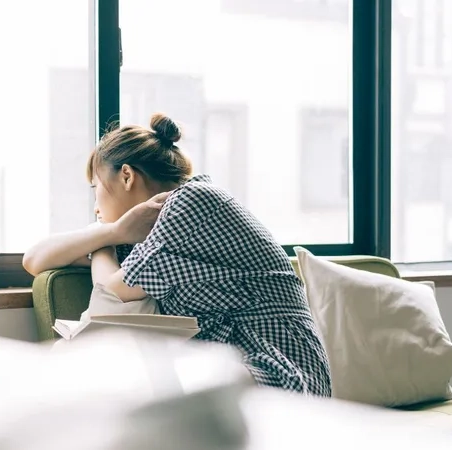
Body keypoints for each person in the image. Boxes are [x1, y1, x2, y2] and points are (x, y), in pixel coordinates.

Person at [23, 113, 331, 396]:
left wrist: (105, 238)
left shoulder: (193, 201)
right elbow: (35, 260)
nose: (95, 207)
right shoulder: (143, 238)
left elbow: (113, 294)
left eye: (96, 188)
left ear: (127, 176)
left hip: (280, 367)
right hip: (231, 366)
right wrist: (112, 233)